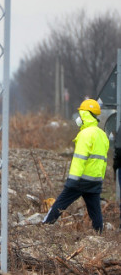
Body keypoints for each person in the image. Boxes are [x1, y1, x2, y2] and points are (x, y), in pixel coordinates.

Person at [44, 98, 110, 232]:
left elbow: (79, 159)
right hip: (95, 180)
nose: (79, 117)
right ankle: (99, 234)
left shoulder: (85, 134)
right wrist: (99, 180)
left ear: (86, 114)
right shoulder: (102, 135)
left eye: (81, 113)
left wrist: (72, 180)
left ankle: (45, 227)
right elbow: (102, 160)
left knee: (60, 203)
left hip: (80, 180)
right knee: (95, 212)